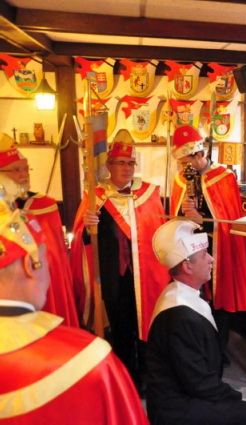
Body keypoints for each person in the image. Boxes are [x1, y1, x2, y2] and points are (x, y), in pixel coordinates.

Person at [0, 175, 148, 425]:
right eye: (48, 258)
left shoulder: (146, 194)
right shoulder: (88, 358)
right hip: (112, 282)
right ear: (30, 265)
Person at [146, 219, 246, 425]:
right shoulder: (180, 317)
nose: (211, 259)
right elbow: (199, 383)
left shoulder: (180, 292)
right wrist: (235, 399)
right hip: (177, 408)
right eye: (204, 255)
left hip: (188, 393)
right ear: (187, 266)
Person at [70, 129, 168, 390]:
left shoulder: (148, 194)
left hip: (144, 274)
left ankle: (149, 375)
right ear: (109, 166)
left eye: (131, 163)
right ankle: (128, 377)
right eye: (121, 163)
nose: (127, 169)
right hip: (114, 276)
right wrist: (87, 226)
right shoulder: (96, 197)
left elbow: (158, 234)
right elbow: (82, 240)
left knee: (146, 325)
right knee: (121, 326)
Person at [170, 125, 246, 365]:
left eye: (187, 161)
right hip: (189, 250)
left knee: (219, 301)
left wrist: (203, 220)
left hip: (218, 248)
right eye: (181, 163)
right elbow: (174, 217)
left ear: (199, 154)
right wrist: (182, 212)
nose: (184, 168)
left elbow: (229, 218)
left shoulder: (223, 177)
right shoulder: (180, 179)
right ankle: (195, 349)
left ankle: (218, 351)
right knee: (191, 300)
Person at [0, 133, 79, 327]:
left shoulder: (45, 205)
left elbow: (58, 258)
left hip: (46, 286)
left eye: (26, 169)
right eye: (16, 170)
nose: (24, 174)